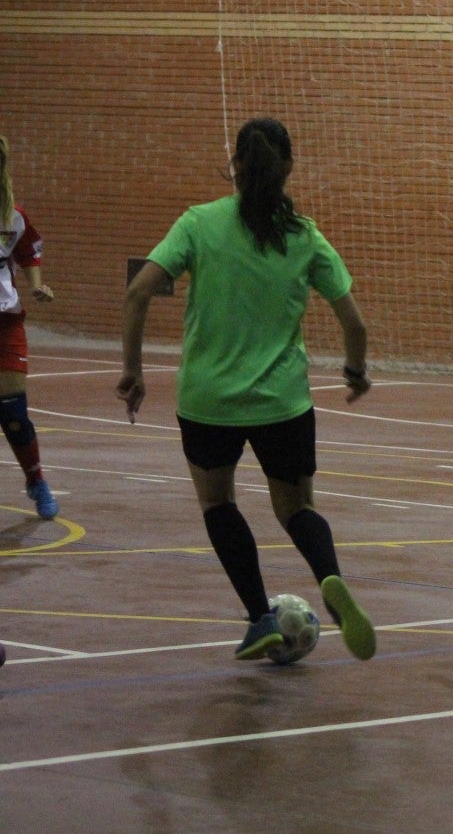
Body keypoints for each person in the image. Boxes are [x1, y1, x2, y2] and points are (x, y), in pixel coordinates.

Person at [117, 118, 376, 662]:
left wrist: (134, 371)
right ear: (289, 168)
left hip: (208, 403)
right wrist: (354, 372)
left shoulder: (199, 223)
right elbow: (354, 324)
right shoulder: (305, 235)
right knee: (297, 507)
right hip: (283, 403)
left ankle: (260, 617)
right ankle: (329, 576)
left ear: (235, 164)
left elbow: (139, 293)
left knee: (217, 503)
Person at [0, 136, 59, 520]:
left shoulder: (12, 216)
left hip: (5, 322)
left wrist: (36, 284)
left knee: (13, 410)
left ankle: (36, 481)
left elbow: (29, 250)